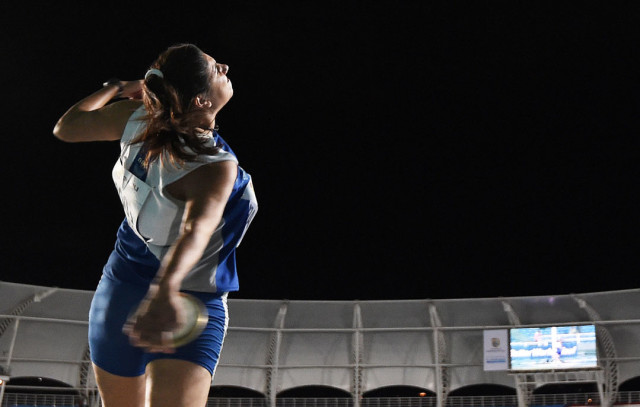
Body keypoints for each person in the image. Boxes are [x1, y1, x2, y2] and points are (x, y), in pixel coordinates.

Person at [53, 43, 257, 407]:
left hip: (123, 286)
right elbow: (197, 229)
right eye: (215, 69)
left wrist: (115, 88)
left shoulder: (134, 119)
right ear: (200, 102)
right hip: (189, 295)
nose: (224, 66)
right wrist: (165, 291)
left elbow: (66, 128)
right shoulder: (214, 165)